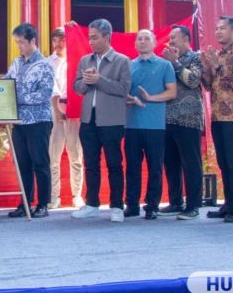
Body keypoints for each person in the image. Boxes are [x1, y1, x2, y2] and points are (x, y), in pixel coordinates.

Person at [71, 18, 131, 222]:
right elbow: (77, 88)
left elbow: (124, 90)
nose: (91, 42)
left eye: (95, 38)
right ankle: (92, 204)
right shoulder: (85, 60)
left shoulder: (122, 60)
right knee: (90, 163)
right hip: (88, 119)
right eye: (90, 38)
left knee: (114, 163)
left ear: (107, 37)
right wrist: (87, 82)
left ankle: (116, 206)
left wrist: (100, 80)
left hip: (112, 120)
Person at [201, 16, 233, 223]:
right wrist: (207, 68)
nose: (218, 32)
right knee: (222, 162)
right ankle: (228, 204)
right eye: (216, 28)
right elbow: (208, 85)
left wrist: (219, 68)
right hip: (217, 116)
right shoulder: (217, 54)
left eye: (223, 28)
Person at [125, 30, 177, 220]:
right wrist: (129, 98)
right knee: (132, 167)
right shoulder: (129, 65)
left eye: (147, 38)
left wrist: (149, 99)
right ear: (135, 43)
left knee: (155, 166)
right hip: (132, 124)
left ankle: (152, 205)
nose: (143, 41)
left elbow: (171, 92)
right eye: (139, 38)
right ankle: (131, 205)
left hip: (155, 124)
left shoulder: (165, 65)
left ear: (155, 42)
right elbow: (121, 91)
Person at [5, 23, 54, 219]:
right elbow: (7, 81)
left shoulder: (44, 65)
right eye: (17, 43)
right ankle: (25, 203)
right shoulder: (16, 63)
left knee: (40, 162)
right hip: (19, 121)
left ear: (33, 41)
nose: (20, 47)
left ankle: (43, 204)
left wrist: (17, 97)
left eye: (22, 43)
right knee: (22, 164)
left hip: (39, 120)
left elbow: (45, 94)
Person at [160, 24, 204, 220]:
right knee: (170, 162)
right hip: (167, 117)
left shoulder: (196, 57)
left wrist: (176, 62)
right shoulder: (166, 61)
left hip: (189, 118)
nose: (171, 41)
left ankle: (193, 205)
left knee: (191, 162)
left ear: (186, 39)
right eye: (169, 37)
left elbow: (193, 80)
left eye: (174, 37)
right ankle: (175, 201)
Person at [46, 27, 84, 209]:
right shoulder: (47, 62)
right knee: (53, 155)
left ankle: (77, 195)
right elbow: (50, 88)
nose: (59, 44)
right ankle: (54, 196)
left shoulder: (77, 60)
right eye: (56, 40)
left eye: (62, 39)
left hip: (74, 109)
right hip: (54, 110)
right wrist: (56, 108)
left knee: (75, 154)